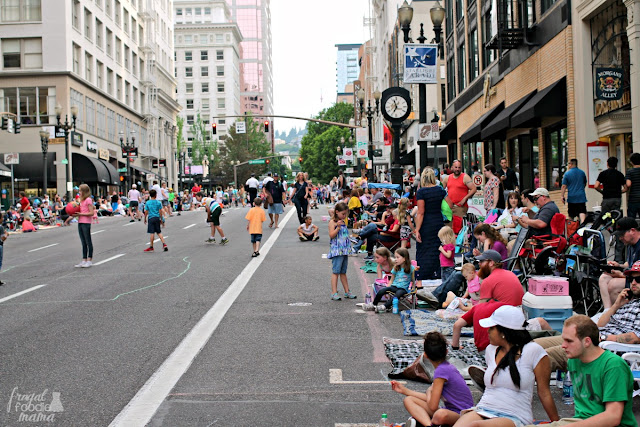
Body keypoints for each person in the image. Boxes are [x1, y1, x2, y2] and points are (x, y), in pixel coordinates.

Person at [453, 306, 559, 427]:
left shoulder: (534, 351)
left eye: (492, 328)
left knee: (475, 426)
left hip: (515, 415)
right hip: (484, 408)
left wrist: (557, 423)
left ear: (504, 332)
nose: (488, 331)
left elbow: (544, 392)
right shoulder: (491, 350)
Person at [536, 260, 640, 374]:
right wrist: (616, 306)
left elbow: (635, 338)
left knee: (540, 357)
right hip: (589, 339)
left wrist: (604, 338)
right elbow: (600, 324)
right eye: (631, 279)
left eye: (638, 280)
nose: (633, 283)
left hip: (604, 349)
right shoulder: (628, 301)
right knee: (533, 346)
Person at [532, 315, 636, 427]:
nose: (563, 345)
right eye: (563, 340)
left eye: (569, 341)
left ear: (587, 341)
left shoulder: (613, 366)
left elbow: (613, 417)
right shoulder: (574, 360)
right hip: (581, 421)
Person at [391, 332, 474, 427]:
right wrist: (405, 390)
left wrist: (429, 391)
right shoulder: (446, 367)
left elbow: (432, 405)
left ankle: (428, 424)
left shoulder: (441, 371)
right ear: (446, 352)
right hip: (455, 412)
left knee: (440, 414)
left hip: (463, 416)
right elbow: (431, 399)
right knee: (409, 400)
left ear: (425, 355)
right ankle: (429, 425)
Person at [451, 250, 524, 351]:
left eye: (482, 262)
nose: (479, 265)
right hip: (518, 318)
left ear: (491, 263)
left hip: (504, 323)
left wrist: (464, 309)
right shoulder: (510, 274)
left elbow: (480, 309)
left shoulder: (488, 281)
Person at [598, 217, 640, 308]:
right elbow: (629, 264)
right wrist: (618, 265)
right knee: (603, 278)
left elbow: (637, 274)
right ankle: (607, 311)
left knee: (613, 285)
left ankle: (620, 313)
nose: (620, 238)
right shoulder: (630, 244)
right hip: (631, 276)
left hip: (637, 279)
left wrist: (621, 274)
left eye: (622, 234)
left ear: (632, 231)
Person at [415, 168, 447, 281]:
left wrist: (417, 229)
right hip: (438, 222)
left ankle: (423, 274)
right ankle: (437, 273)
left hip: (426, 224)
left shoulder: (421, 192)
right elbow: (450, 203)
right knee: (437, 248)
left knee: (424, 249)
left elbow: (421, 212)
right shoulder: (440, 190)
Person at [327, 202, 356, 301]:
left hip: (344, 250)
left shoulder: (343, 221)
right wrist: (338, 227)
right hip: (337, 250)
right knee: (336, 271)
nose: (344, 216)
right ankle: (334, 292)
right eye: (343, 214)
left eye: (346, 214)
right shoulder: (333, 222)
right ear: (337, 212)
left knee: (343, 272)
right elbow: (331, 235)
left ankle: (347, 291)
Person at [73, 184, 95, 268]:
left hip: (86, 222)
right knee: (83, 242)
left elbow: (91, 212)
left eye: (80, 191)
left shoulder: (88, 200)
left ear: (84, 191)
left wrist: (81, 214)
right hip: (80, 221)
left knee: (88, 241)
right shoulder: (81, 200)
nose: (79, 192)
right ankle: (84, 259)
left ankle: (89, 260)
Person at [561, 159, 587, 223]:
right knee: (582, 212)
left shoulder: (567, 174)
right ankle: (583, 225)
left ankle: (571, 228)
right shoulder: (582, 173)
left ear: (571, 164)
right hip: (581, 196)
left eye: (568, 164)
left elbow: (564, 186)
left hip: (571, 197)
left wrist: (562, 196)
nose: (568, 165)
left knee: (571, 215)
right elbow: (584, 183)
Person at [625, 152, 640, 218]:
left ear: (631, 162)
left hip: (633, 199)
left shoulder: (630, 172)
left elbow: (628, 184)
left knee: (631, 219)